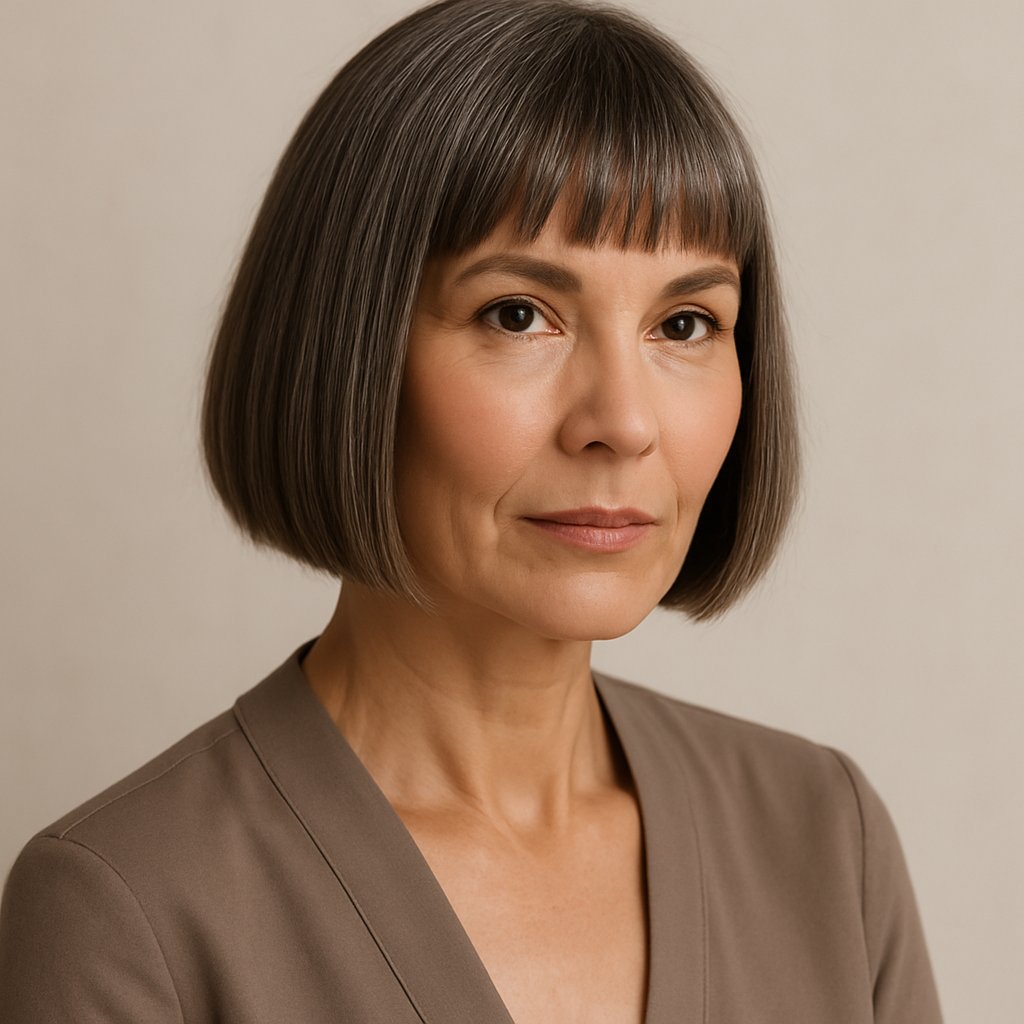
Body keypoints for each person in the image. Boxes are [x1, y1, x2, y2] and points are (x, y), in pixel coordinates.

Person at [0, 0, 943, 1021]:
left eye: (684, 322)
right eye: (518, 314)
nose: (621, 423)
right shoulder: (128, 907)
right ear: (346, 348)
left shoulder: (822, 841)